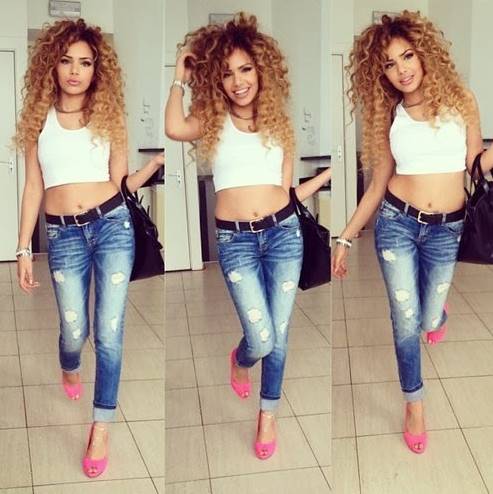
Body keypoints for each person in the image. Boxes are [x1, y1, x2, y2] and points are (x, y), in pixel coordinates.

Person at [332, 10, 493, 454]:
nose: (401, 69)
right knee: (405, 319)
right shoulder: (390, 112)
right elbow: (378, 184)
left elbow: (474, 164)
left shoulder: (461, 99)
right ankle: (414, 403)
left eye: (407, 56)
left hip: (447, 229)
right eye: (389, 63)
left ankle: (437, 316)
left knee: (427, 317)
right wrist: (345, 237)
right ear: (380, 72)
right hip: (397, 225)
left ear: (424, 54)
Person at [14, 19, 163, 477]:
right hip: (62, 234)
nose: (75, 71)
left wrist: (152, 168)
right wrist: (22, 248)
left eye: (85, 62)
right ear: (52, 65)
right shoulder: (38, 118)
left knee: (109, 332)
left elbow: (121, 183)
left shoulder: (108, 115)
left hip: (112, 226)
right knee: (73, 329)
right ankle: (69, 362)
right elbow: (34, 186)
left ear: (97, 68)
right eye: (66, 61)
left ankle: (101, 426)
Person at [165, 12, 307, 460]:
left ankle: (267, 416)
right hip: (237, 242)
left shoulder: (279, 122)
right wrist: (179, 78)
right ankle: (240, 358)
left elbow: (285, 185)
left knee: (279, 334)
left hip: (284, 235)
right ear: (217, 80)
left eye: (246, 69)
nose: (238, 81)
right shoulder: (211, 119)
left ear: (261, 70)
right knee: (260, 338)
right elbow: (173, 128)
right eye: (227, 73)